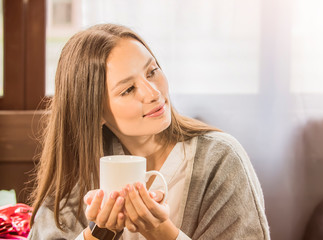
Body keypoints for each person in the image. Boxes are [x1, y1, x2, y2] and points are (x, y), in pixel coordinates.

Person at [28, 23, 270, 240]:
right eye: (128, 90)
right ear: (95, 112)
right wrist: (99, 235)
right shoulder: (81, 168)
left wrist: (162, 234)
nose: (153, 93)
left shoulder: (221, 159)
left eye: (152, 72)